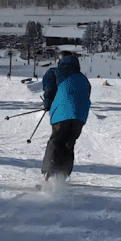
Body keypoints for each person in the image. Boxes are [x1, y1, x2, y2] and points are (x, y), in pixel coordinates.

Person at [41, 51, 91, 181]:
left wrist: (47, 104)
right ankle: (62, 176)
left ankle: (48, 176)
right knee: (69, 143)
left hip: (62, 114)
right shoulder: (84, 78)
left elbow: (49, 89)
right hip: (80, 116)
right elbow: (86, 94)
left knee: (56, 141)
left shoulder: (54, 72)